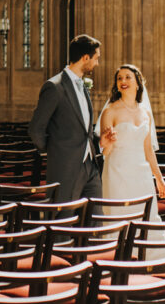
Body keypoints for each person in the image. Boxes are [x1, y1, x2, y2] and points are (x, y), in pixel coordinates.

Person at [28, 34, 113, 203]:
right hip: (64, 168)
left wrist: (98, 141)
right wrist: (57, 152)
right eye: (96, 58)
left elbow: (82, 129)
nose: (97, 63)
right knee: (62, 221)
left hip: (91, 167)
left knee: (95, 220)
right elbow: (35, 129)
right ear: (85, 58)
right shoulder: (54, 87)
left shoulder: (83, 85)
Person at [98, 64, 165, 257]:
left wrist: (159, 178)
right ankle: (118, 265)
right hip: (118, 172)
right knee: (119, 218)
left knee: (147, 217)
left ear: (138, 83)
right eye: (119, 78)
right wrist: (104, 143)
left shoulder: (145, 112)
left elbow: (148, 149)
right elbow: (106, 152)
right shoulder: (110, 112)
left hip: (142, 175)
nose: (123, 81)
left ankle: (151, 261)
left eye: (128, 77)